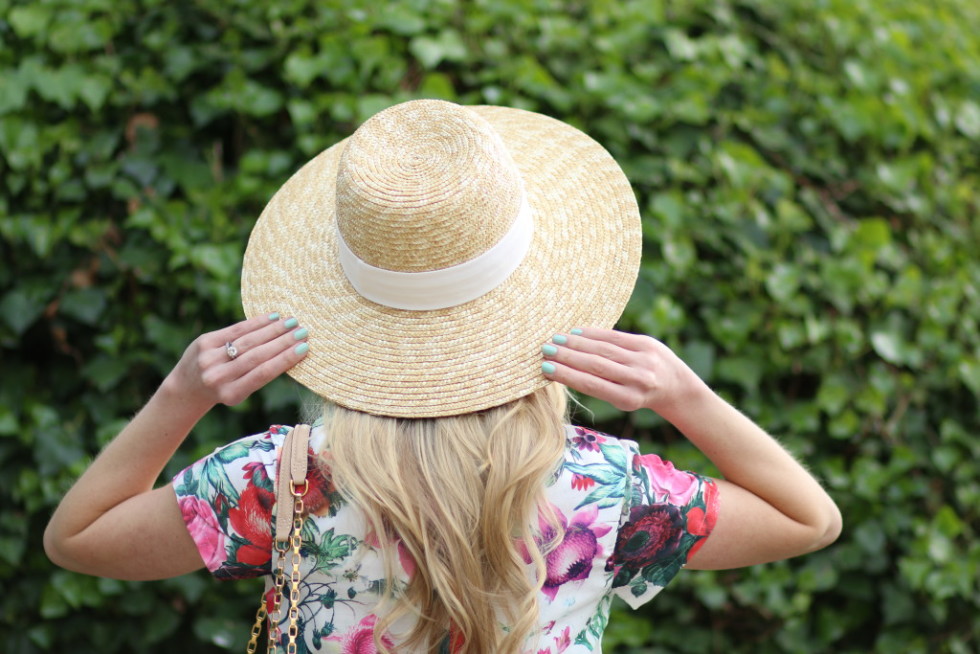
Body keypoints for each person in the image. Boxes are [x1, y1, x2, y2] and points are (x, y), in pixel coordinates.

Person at [44, 99, 842, 653]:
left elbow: (77, 540)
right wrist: (683, 393)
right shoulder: (604, 491)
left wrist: (183, 393)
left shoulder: (278, 481)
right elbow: (808, 520)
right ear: (540, 296)